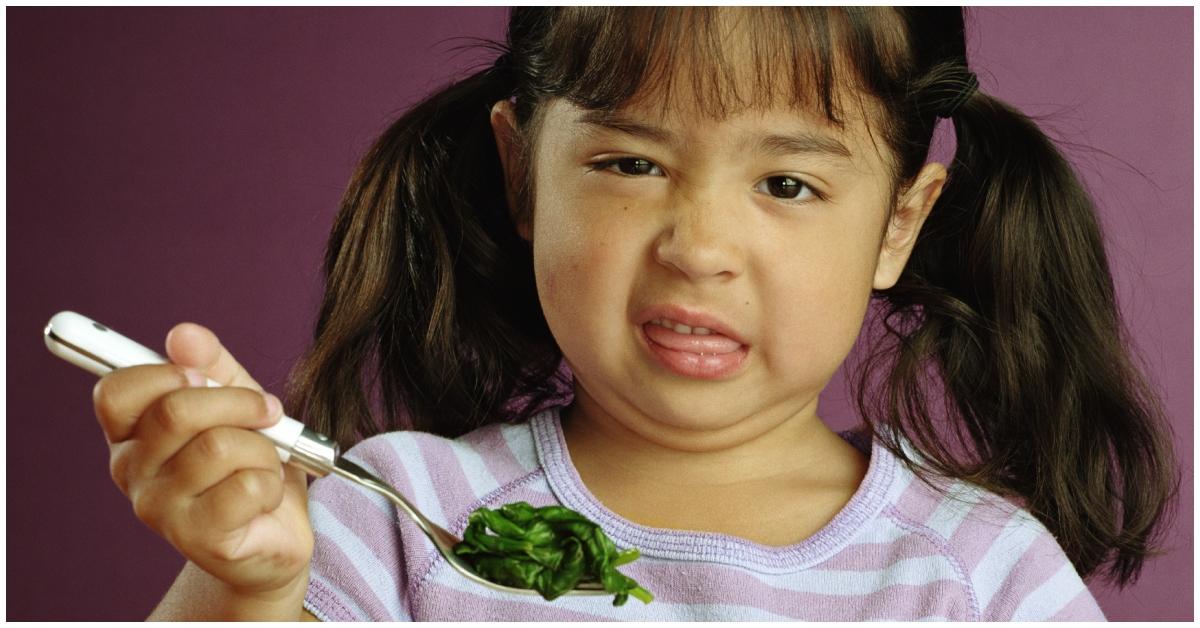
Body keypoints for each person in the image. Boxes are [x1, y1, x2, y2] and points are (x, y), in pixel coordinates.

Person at [91, 7, 1179, 621]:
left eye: (787, 185)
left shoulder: (981, 575)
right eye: (628, 161)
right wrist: (243, 583)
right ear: (524, 175)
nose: (697, 247)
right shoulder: (394, 518)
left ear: (900, 224)